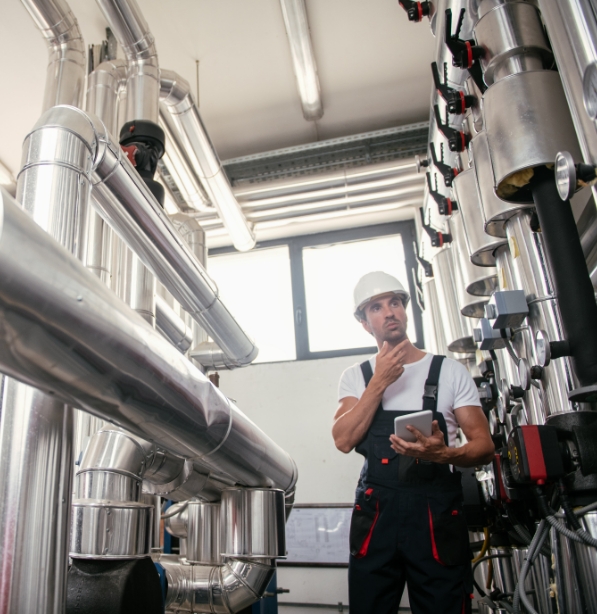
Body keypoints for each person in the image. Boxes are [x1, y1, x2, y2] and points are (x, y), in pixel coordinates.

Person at [332, 271, 494, 614]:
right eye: (376, 307)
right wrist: (378, 383)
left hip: (436, 517)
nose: (389, 312)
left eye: (395, 302)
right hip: (377, 518)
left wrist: (445, 453)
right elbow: (343, 439)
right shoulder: (356, 377)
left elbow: (483, 446)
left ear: (405, 310)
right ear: (364, 323)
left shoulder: (448, 371)